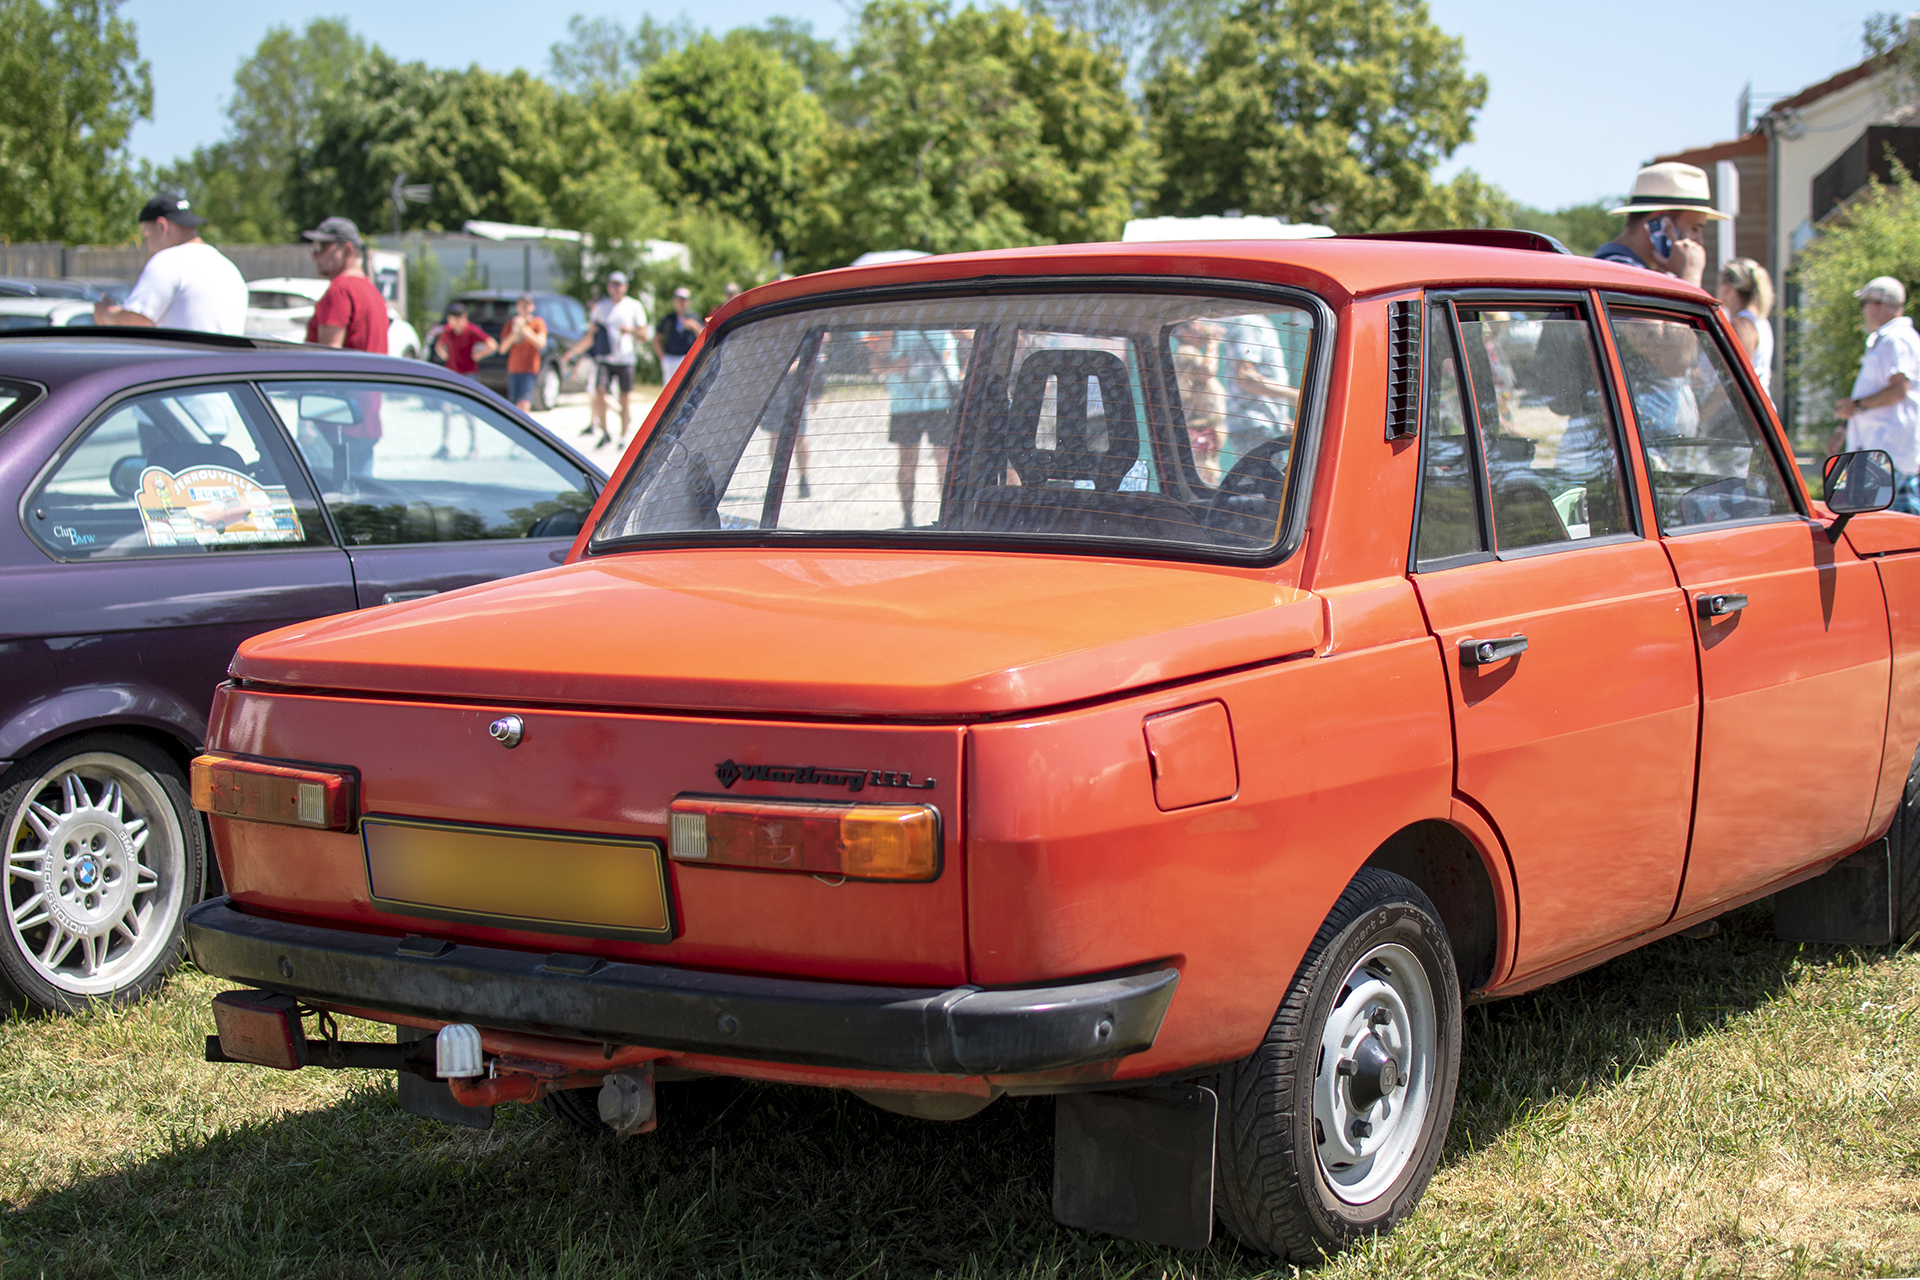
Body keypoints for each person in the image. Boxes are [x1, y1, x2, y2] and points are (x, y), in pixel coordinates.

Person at [92, 192, 247, 334]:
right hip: (222, 364)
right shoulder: (228, 268)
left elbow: (134, 323)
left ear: (161, 226)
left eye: (146, 235)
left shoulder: (168, 261)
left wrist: (106, 314)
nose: (146, 245)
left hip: (180, 364)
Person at [1833, 276, 1920, 515]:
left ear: (1877, 305)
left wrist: (1856, 406)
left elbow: (1898, 390)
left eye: (1864, 304)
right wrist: (1845, 426)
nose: (1863, 311)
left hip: (1886, 453)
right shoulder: (1888, 339)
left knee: (1886, 530)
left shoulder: (1896, 339)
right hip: (1882, 452)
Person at [868, 327, 961, 525]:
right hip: (906, 405)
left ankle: (948, 518)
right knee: (908, 462)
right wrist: (894, 366)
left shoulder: (949, 320)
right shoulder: (896, 326)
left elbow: (973, 338)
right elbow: (876, 365)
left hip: (942, 402)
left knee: (945, 461)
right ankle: (908, 519)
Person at [1593, 163, 1727, 289]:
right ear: (1662, 224)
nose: (1700, 241)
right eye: (1695, 229)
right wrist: (1691, 275)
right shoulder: (1619, 274)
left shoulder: (1635, 272)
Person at [564, 271, 650, 448]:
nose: (616, 288)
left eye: (619, 285)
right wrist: (573, 352)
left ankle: (623, 436)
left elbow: (644, 335)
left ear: (625, 287)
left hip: (626, 359)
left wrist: (631, 331)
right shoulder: (601, 307)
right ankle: (604, 432)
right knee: (599, 393)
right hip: (605, 358)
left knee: (624, 398)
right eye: (613, 284)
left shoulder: (633, 306)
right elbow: (591, 335)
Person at [301, 217, 388, 353]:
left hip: (348, 375)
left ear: (347, 250)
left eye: (322, 246)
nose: (314, 254)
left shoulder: (339, 290)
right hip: (373, 374)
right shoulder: (373, 291)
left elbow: (328, 358)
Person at [434, 303, 497, 460]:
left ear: (463, 318)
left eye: (456, 318)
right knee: (446, 410)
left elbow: (492, 345)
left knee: (468, 411)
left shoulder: (471, 331)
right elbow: (438, 346)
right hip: (451, 375)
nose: (452, 322)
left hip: (468, 376)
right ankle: (445, 445)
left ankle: (474, 445)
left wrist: (479, 355)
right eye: (450, 319)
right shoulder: (447, 331)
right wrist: (445, 356)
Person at [1717, 258, 1774, 398]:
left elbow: (1735, 378)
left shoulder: (1742, 325)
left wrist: (1703, 411)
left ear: (1728, 288)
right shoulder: (1758, 320)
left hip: (1749, 413)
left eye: (1718, 284)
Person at [497, 293, 548, 411]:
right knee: (514, 405)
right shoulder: (511, 323)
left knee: (525, 403)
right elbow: (502, 349)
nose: (524, 308)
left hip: (529, 369)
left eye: (527, 305)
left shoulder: (537, 323)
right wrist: (514, 334)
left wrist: (524, 329)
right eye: (521, 305)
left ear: (532, 307)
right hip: (514, 369)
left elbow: (541, 343)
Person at [654, 285, 703, 383]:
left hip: (687, 357)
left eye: (683, 300)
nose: (681, 303)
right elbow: (657, 338)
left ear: (688, 302)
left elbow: (704, 337)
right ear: (674, 301)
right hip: (670, 358)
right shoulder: (668, 319)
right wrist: (663, 357)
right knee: (670, 387)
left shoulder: (694, 317)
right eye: (678, 300)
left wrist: (695, 327)